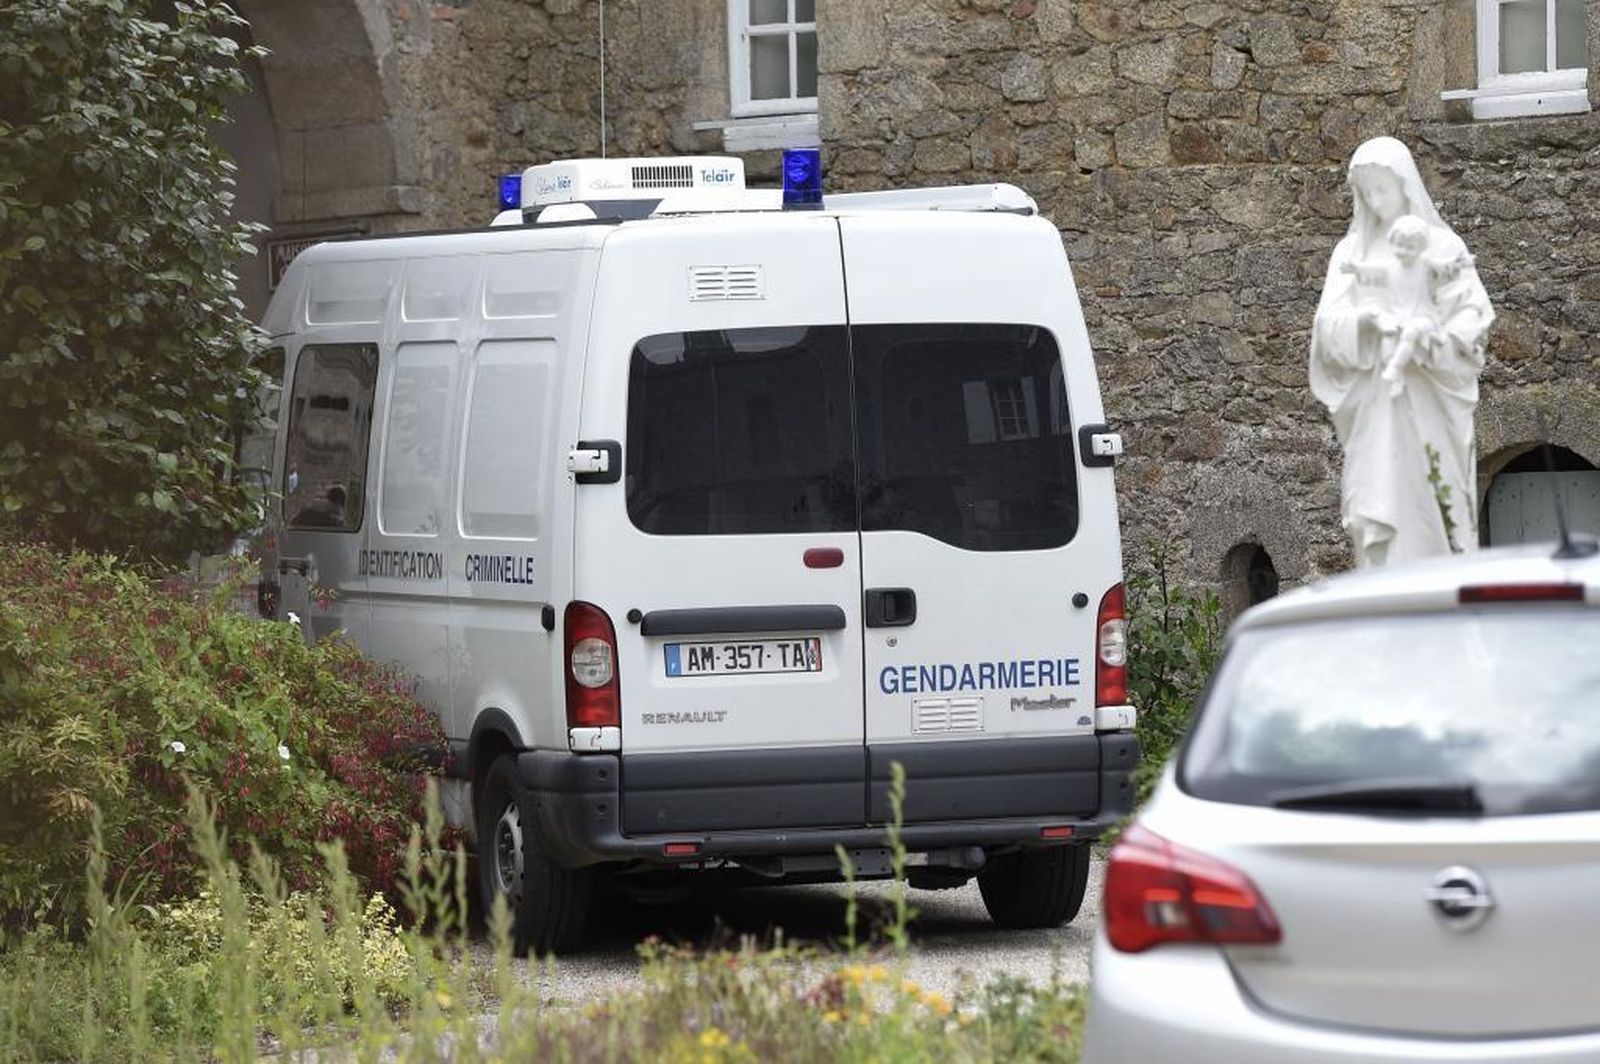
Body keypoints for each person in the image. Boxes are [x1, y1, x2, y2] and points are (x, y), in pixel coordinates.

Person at [1310, 137, 1495, 567]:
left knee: (1431, 503)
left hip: (1429, 404)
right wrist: (1364, 324)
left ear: (1405, 186)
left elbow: (1473, 315)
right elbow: (1327, 329)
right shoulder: (1349, 254)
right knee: (1374, 506)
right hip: (1376, 407)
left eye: (1383, 189)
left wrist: (1433, 342)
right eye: (1366, 192)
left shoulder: (1442, 247)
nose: (1375, 202)